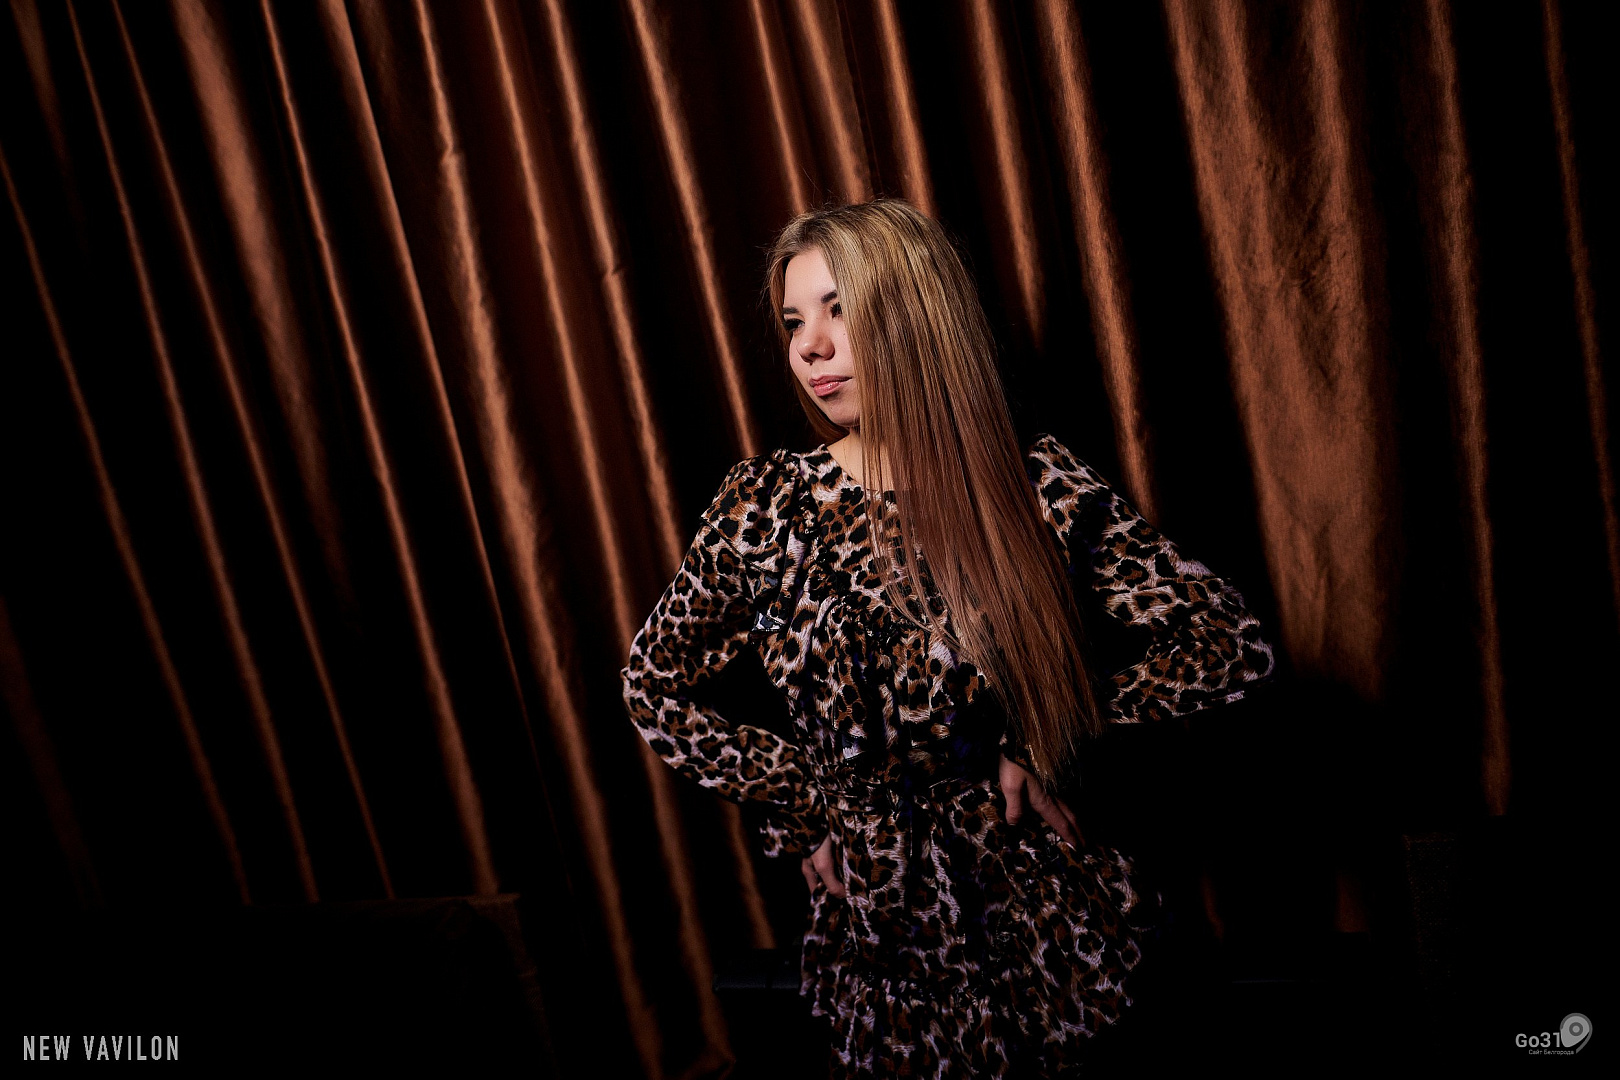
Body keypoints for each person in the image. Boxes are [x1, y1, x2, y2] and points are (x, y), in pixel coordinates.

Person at [621, 199, 1276, 1078]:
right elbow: (653, 685)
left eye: (840, 309)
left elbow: (1230, 643)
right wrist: (805, 801)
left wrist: (1051, 729)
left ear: (915, 316)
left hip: (1047, 923)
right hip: (886, 939)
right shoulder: (764, 508)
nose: (810, 346)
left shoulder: (1028, 482)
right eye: (793, 320)